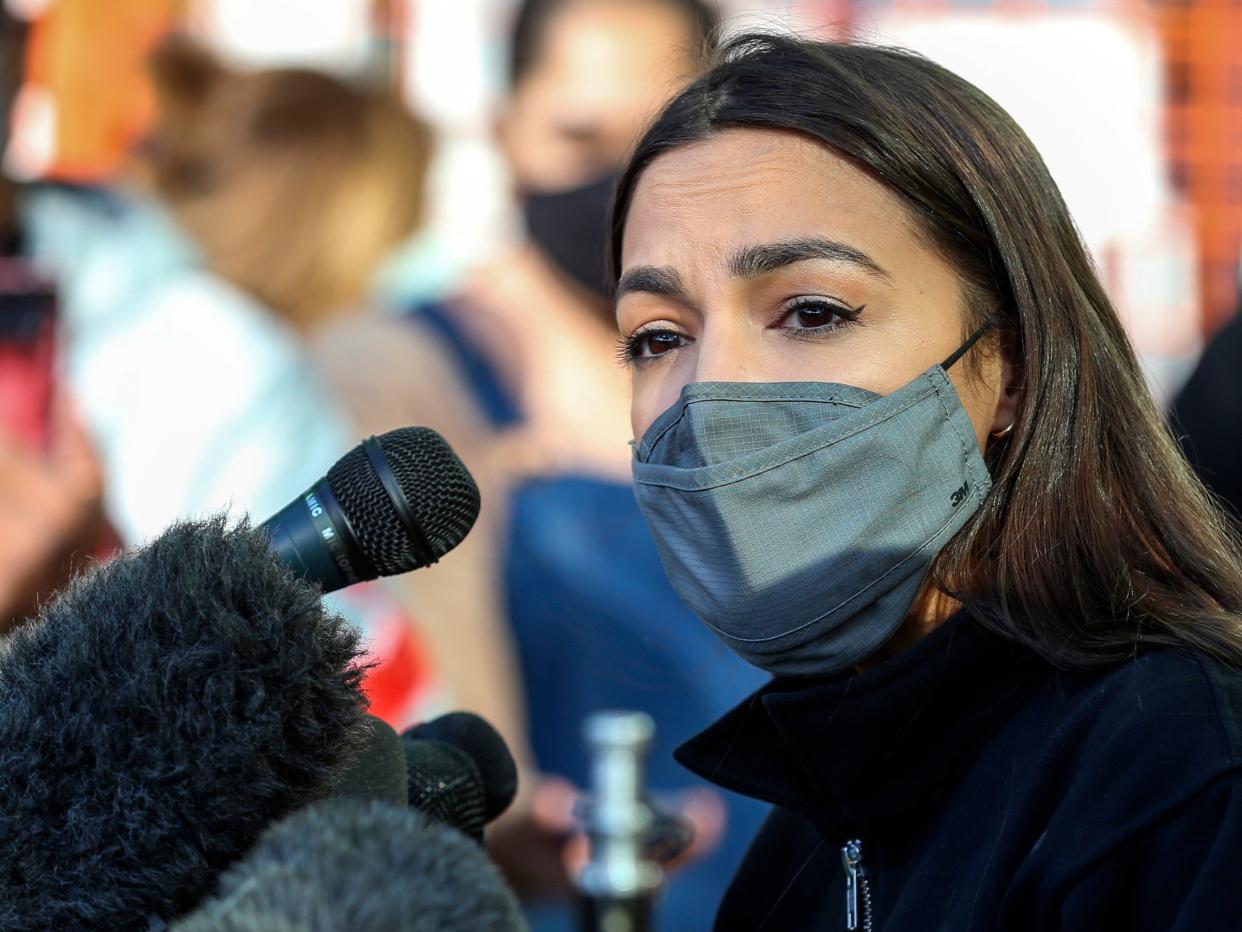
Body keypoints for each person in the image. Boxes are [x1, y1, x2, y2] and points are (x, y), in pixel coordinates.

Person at [610, 33, 1242, 930]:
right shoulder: (805, 831)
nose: (713, 394)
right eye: (658, 337)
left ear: (1013, 367)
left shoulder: (1172, 770)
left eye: (814, 312)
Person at [313, 0, 770, 923]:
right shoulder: (396, 375)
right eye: (579, 136)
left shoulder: (777, 374)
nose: (620, 182)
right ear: (503, 129)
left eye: (660, 138)